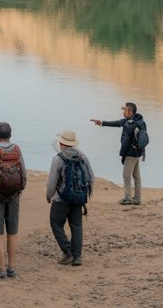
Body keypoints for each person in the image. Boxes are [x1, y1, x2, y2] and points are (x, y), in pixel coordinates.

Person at [45, 129, 94, 266]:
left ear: (61, 143)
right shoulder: (82, 156)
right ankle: (77, 257)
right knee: (76, 225)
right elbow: (91, 177)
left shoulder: (58, 159)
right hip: (78, 198)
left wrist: (49, 196)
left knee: (56, 223)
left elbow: (52, 181)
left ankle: (67, 252)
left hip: (61, 199)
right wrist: (83, 195)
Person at [0, 121, 26, 279]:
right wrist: (18, 190)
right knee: (13, 232)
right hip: (14, 195)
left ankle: (1, 269)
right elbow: (23, 172)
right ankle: (12, 268)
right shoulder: (17, 149)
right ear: (10, 134)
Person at [92, 102, 147, 206]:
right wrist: (102, 122)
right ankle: (137, 198)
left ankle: (127, 198)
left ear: (130, 112)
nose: (123, 112)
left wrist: (123, 156)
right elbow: (117, 123)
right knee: (136, 175)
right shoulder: (139, 121)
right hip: (138, 152)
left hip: (130, 154)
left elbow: (125, 143)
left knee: (126, 176)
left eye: (125, 110)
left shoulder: (128, 124)